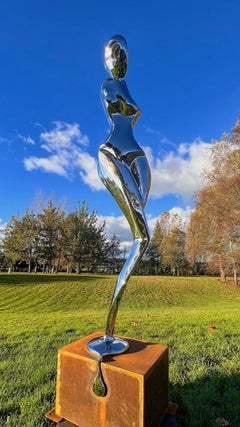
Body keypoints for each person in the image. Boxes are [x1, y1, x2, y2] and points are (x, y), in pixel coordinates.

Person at [98, 35, 151, 340]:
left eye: (123, 56)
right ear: (107, 60)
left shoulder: (128, 87)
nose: (119, 61)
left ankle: (111, 329)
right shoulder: (108, 85)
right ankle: (109, 329)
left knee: (140, 236)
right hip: (113, 152)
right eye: (114, 55)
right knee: (142, 238)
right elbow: (115, 106)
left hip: (138, 155)